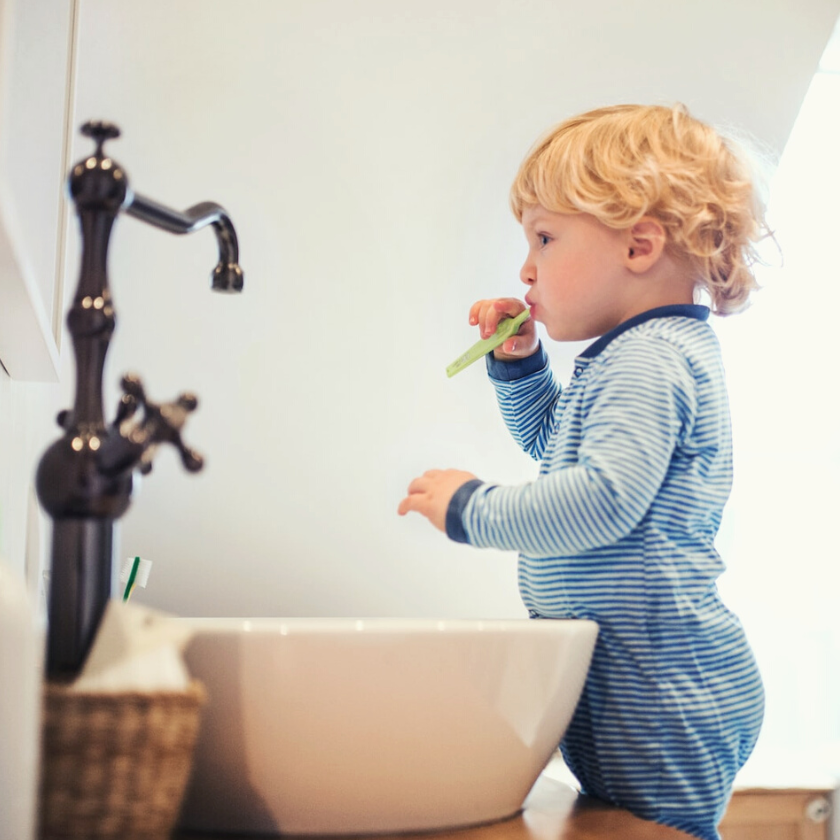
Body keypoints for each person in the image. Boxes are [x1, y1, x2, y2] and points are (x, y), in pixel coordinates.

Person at [397, 103, 766, 840]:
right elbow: (556, 447)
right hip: (645, 678)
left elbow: (600, 502)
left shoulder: (649, 361)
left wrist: (473, 508)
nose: (526, 268)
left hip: (662, 689)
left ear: (639, 246)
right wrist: (522, 367)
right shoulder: (636, 354)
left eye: (544, 237)